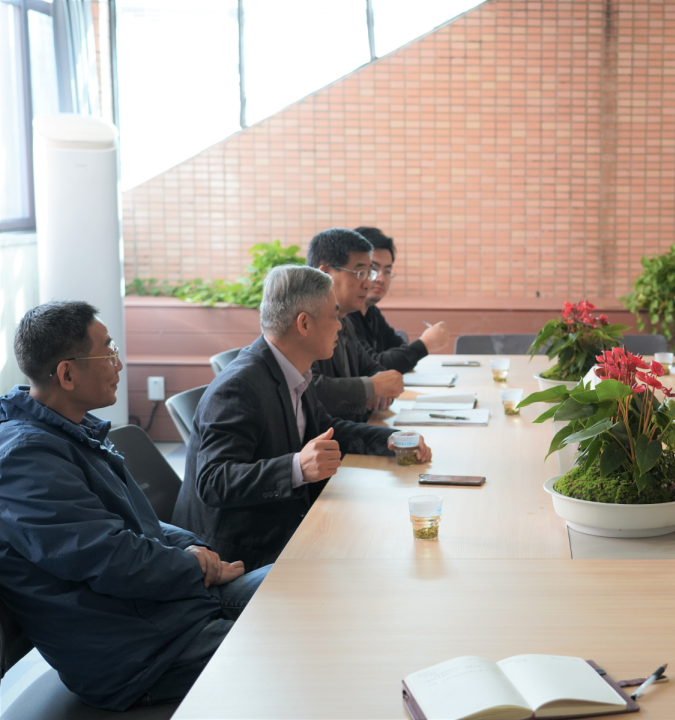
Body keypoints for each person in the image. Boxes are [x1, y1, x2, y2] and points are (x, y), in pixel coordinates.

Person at [0, 301, 268, 711]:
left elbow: (139, 523)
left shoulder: (70, 429)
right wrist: (193, 566)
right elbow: (107, 557)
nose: (119, 364)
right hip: (139, 654)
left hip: (169, 611)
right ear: (67, 374)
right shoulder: (25, 458)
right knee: (299, 643)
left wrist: (192, 548)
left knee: (304, 591)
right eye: (108, 352)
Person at [173, 265, 432, 570]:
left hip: (284, 525)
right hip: (238, 555)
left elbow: (325, 430)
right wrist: (297, 468)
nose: (340, 326)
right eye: (334, 316)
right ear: (304, 323)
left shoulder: (293, 370)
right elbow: (213, 481)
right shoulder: (240, 387)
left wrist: (391, 439)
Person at [307, 227, 405, 423]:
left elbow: (372, 367)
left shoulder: (343, 320)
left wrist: (383, 384)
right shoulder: (304, 325)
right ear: (324, 274)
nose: (368, 284)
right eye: (360, 273)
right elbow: (309, 390)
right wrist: (371, 388)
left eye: (369, 274)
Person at [347, 226, 449, 372]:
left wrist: (410, 355)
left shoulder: (371, 311)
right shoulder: (344, 314)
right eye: (373, 270)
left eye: (387, 271)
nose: (381, 278)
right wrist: (425, 344)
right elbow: (372, 366)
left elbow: (398, 347)